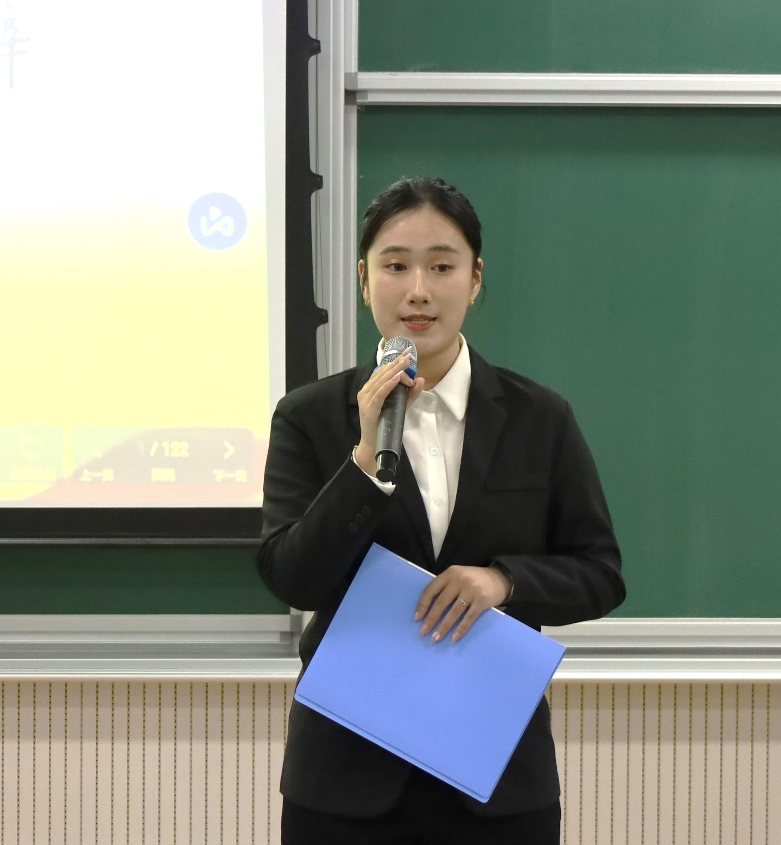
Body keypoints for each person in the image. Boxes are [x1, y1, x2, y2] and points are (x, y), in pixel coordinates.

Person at [257, 177, 625, 844]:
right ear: (364, 279)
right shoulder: (309, 417)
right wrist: (363, 463)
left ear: (475, 279)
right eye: (396, 265)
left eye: (442, 266)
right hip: (345, 781)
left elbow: (599, 573)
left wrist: (504, 580)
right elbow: (293, 578)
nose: (418, 290)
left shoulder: (540, 417)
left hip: (495, 779)